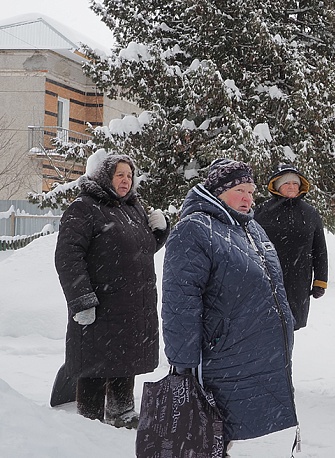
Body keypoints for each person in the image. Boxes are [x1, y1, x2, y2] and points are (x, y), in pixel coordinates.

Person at [162, 158, 298, 454]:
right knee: (208, 433)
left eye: (251, 191)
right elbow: (180, 302)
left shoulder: (251, 228)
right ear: (218, 192)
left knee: (231, 433)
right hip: (219, 358)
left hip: (251, 354)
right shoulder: (194, 229)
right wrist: (183, 364)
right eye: (239, 190)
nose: (248, 198)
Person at [54, 153, 169, 428]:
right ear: (105, 177)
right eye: (120, 175)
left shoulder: (132, 208)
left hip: (130, 304)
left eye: (129, 175)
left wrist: (159, 233)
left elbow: (139, 250)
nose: (126, 180)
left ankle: (122, 412)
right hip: (101, 303)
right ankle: (89, 421)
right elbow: (68, 256)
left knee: (124, 359)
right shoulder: (84, 208)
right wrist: (81, 300)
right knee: (94, 363)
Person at [254, 164, 328, 331]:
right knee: (267, 324)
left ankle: (288, 349)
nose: (292, 187)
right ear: (277, 185)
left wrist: (320, 281)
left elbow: (320, 249)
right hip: (268, 277)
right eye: (287, 183)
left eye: (295, 183)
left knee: (293, 323)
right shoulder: (262, 212)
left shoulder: (310, 213)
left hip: (299, 279)